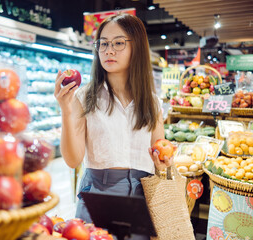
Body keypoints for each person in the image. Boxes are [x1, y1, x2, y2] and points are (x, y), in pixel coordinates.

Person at [54, 13, 173, 239]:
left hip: (141, 194)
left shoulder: (152, 102)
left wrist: (164, 160)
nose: (109, 50)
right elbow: (72, 159)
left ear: (136, 47)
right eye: (103, 44)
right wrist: (66, 110)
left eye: (118, 43)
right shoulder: (84, 96)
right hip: (96, 193)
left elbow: (160, 151)